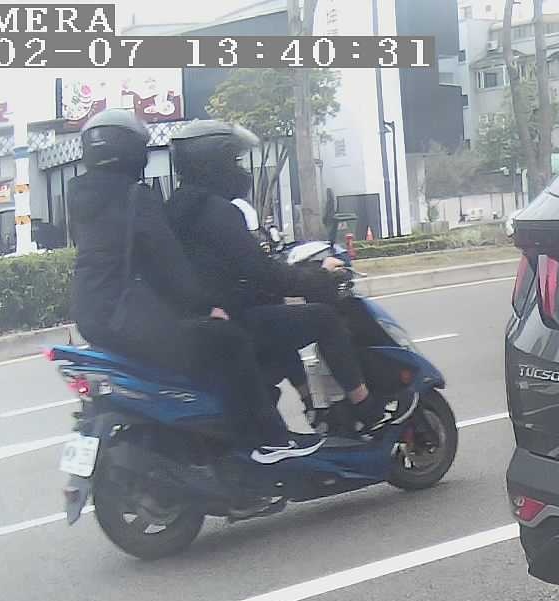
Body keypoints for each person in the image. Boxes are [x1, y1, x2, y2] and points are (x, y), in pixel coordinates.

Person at [67, 109, 321, 463]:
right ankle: (267, 439)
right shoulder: (136, 197)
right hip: (127, 316)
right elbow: (167, 263)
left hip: (91, 315)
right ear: (131, 151)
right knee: (229, 339)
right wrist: (203, 306)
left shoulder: (80, 196)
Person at [164, 121, 408, 435]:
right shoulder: (217, 212)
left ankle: (314, 408)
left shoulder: (180, 208)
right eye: (234, 161)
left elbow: (234, 265)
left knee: (278, 315)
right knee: (325, 319)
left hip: (212, 315)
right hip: (233, 320)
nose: (240, 171)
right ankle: (365, 407)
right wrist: (319, 277)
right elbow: (263, 272)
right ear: (214, 163)